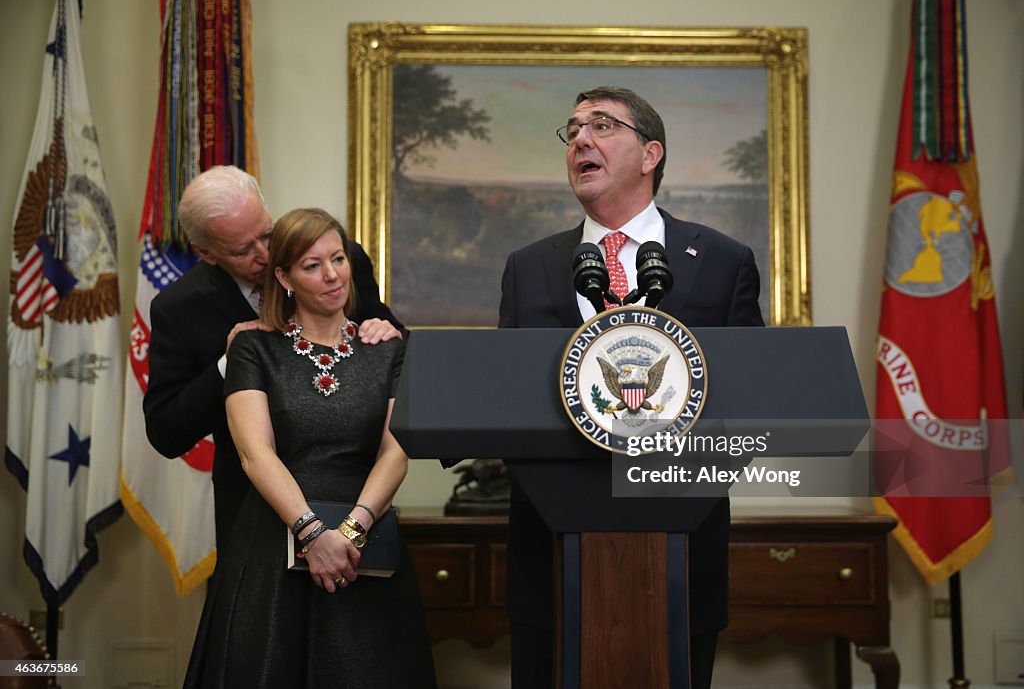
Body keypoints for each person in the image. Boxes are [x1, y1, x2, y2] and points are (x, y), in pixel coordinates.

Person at [498, 86, 765, 689]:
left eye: (602, 126)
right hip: (549, 550)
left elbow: (751, 401)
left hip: (681, 547)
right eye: (573, 131)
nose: (581, 141)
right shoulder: (529, 266)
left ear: (650, 155)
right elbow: (505, 399)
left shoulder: (723, 261)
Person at [184, 207, 436, 687]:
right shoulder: (253, 348)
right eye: (312, 265)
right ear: (284, 277)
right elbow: (255, 454)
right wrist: (312, 534)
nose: (332, 275)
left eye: (338, 259)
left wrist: (351, 533)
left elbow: (397, 451)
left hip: (365, 548)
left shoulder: (388, 348)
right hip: (272, 549)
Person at [144, 166, 403, 556]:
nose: (264, 255)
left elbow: (399, 355)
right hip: (252, 514)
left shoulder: (336, 264)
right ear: (206, 253)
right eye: (243, 250)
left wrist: (388, 333)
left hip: (353, 501)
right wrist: (228, 363)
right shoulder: (180, 308)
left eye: (266, 234)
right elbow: (166, 432)